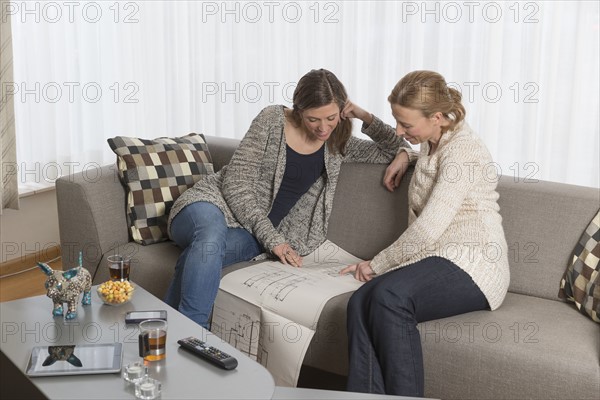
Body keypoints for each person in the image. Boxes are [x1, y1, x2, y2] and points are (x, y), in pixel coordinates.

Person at [165, 68, 411, 328]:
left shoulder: (339, 143)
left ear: (342, 111)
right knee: (209, 237)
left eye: (331, 117)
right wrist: (274, 240)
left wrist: (365, 116)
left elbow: (397, 145)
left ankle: (164, 337)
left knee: (203, 254)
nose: (323, 127)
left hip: (252, 235)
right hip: (211, 204)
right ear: (299, 109)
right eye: (313, 119)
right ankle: (194, 337)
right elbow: (236, 184)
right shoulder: (272, 120)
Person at [340, 70, 510, 396]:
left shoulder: (464, 150)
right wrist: (405, 153)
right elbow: (427, 157)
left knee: (389, 297)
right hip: (440, 257)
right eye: (397, 122)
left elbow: (429, 227)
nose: (399, 131)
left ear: (437, 117)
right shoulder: (434, 142)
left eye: (406, 125)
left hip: (475, 262)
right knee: (360, 300)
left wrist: (378, 263)